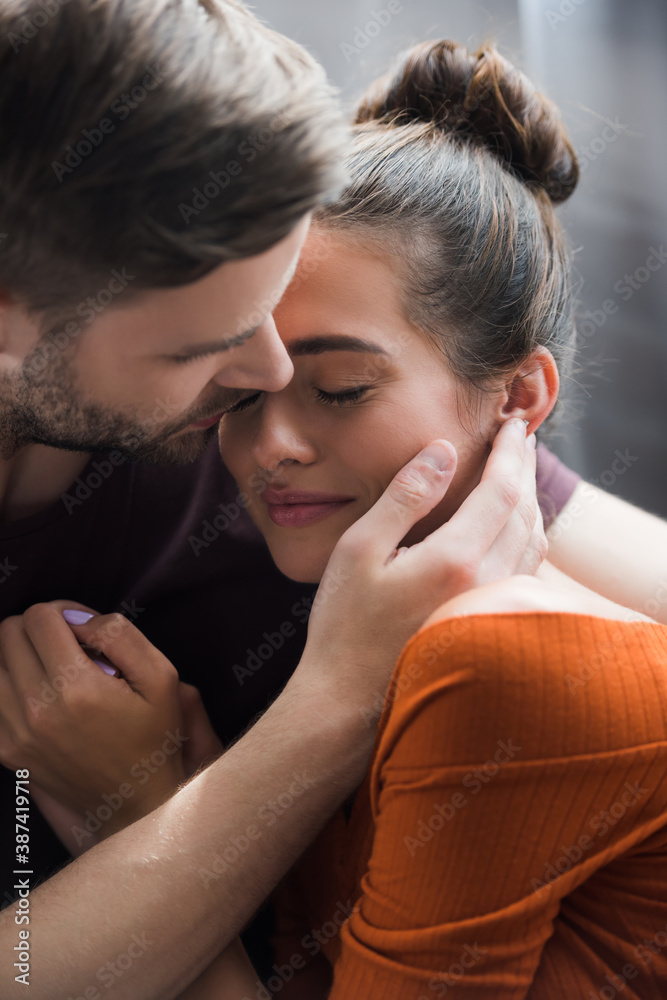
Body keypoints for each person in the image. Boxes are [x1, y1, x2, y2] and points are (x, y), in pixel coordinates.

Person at [0, 0, 665, 994]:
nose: (263, 382)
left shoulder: (425, 516)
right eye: (209, 346)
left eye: (338, 384)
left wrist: (152, 803)